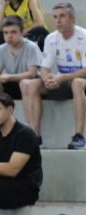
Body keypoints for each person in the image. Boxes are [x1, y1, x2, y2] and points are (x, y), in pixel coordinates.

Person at [19, 2, 86, 148]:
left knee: (77, 83)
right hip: (61, 81)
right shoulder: (51, 38)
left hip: (80, 81)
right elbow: (45, 68)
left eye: (62, 16)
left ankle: (79, 136)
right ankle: (34, 136)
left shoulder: (83, 36)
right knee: (29, 84)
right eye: (55, 17)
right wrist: (47, 79)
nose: (58, 21)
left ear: (72, 18)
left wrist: (62, 78)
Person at [0, 15, 42, 101]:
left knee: (25, 83)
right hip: (9, 84)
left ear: (22, 32)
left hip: (29, 85)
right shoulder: (1, 49)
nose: (9, 36)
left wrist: (9, 77)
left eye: (13, 32)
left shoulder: (31, 47)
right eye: (6, 33)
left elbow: (31, 74)